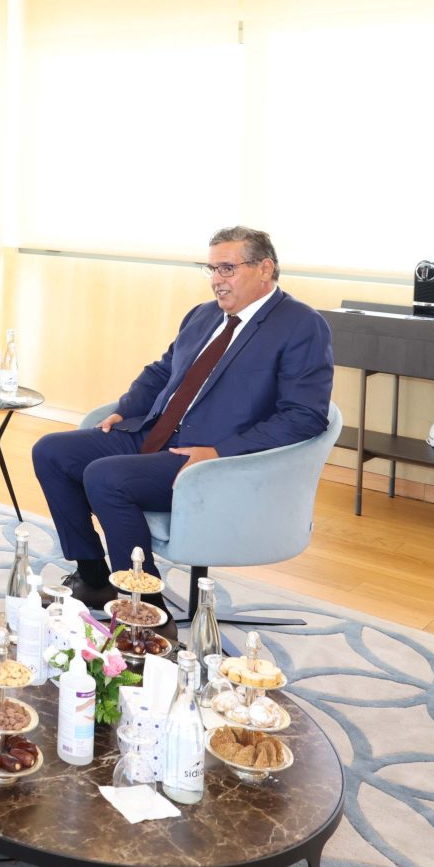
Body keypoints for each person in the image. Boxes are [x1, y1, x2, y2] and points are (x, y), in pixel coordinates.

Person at [30, 225, 335, 611]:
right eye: (211, 269)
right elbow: (162, 371)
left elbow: (305, 416)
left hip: (210, 457)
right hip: (156, 432)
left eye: (227, 269)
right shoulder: (204, 315)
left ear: (265, 269)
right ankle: (92, 577)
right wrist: (126, 408)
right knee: (51, 451)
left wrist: (219, 452)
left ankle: (146, 608)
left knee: (106, 477)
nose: (216, 280)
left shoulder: (300, 325)